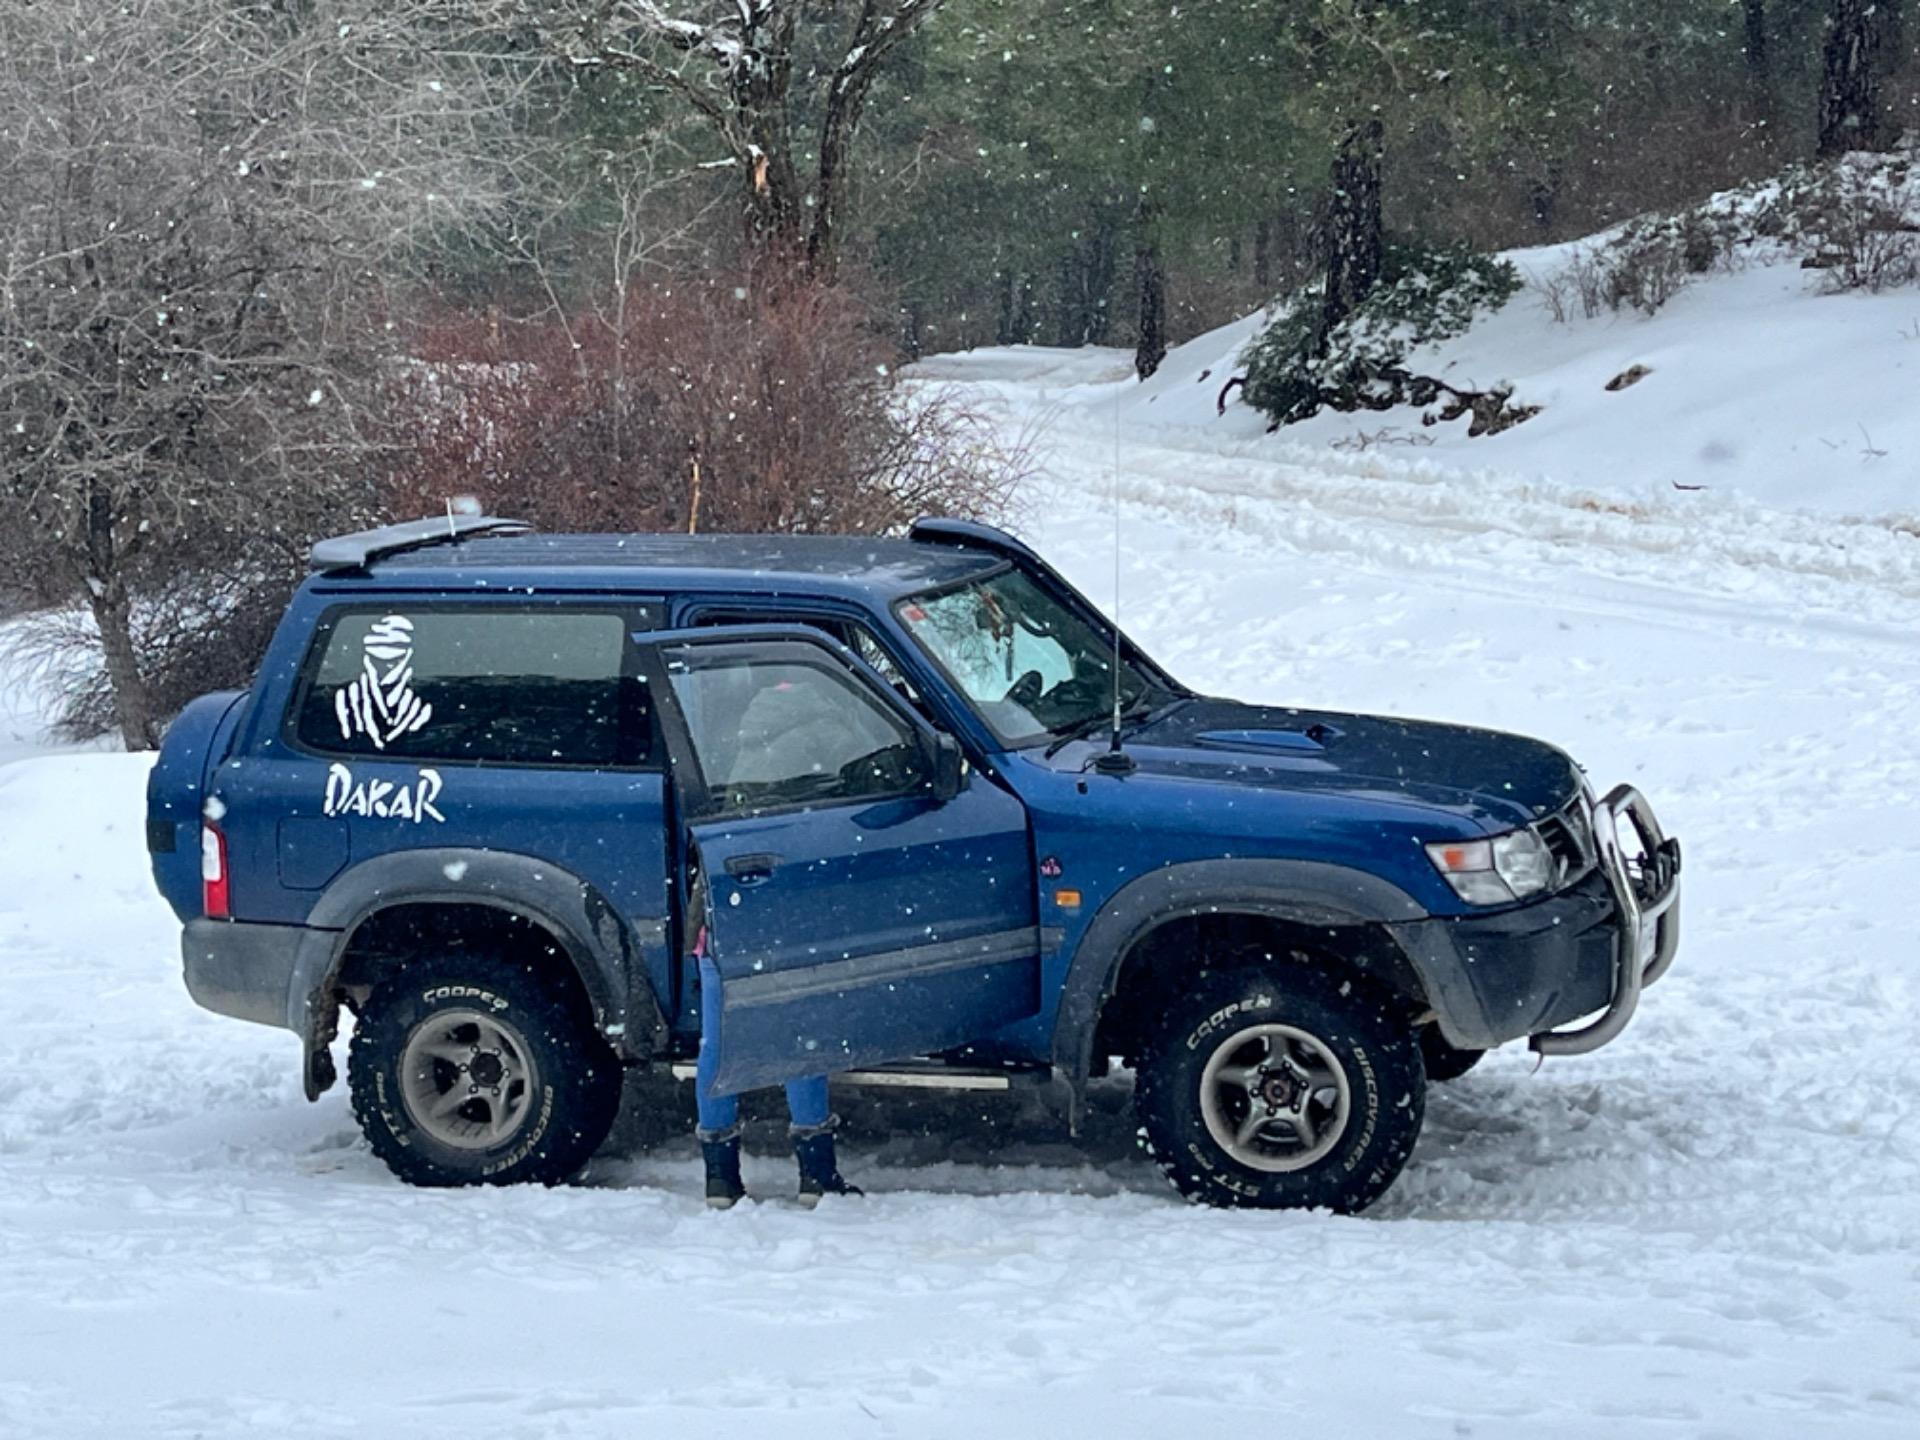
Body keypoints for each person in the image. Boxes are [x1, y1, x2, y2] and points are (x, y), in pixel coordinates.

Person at [690, 904, 861, 1210]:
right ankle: (816, 1173)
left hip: (723, 922)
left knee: (717, 1044)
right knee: (799, 1039)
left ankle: (720, 1178)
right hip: (789, 920)